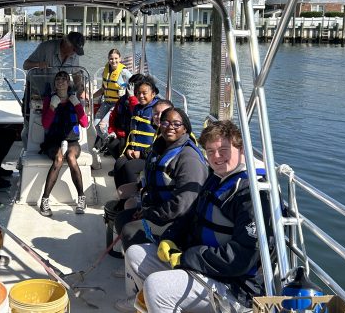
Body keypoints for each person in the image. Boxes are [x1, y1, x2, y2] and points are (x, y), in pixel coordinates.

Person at [117, 120, 272, 313]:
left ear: (241, 149)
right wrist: (170, 239)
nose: (216, 157)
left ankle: (156, 300)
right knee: (135, 254)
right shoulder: (217, 177)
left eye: (223, 150)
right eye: (210, 151)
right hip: (201, 265)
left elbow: (240, 258)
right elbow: (192, 215)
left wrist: (186, 258)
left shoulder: (254, 195)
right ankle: (146, 303)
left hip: (235, 286)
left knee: (156, 287)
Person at [114, 107, 208, 250]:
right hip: (157, 209)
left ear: (185, 129)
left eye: (176, 124)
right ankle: (133, 260)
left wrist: (150, 214)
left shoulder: (189, 159)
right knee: (121, 218)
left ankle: (145, 267)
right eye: (165, 123)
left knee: (129, 230)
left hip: (179, 221)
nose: (170, 127)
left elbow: (183, 205)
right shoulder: (160, 148)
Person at [38, 70, 89, 217]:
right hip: (53, 142)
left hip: (72, 141)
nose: (60, 81)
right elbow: (46, 124)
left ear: (68, 83)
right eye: (58, 79)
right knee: (59, 158)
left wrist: (78, 105)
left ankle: (81, 198)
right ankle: (45, 200)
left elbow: (85, 124)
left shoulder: (74, 100)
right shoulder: (49, 100)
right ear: (55, 83)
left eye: (64, 79)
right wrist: (52, 107)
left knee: (71, 158)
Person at [112, 76, 160, 188]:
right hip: (134, 152)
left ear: (153, 93)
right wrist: (129, 149)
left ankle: (137, 199)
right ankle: (123, 200)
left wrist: (142, 153)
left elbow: (160, 139)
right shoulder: (137, 109)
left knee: (130, 167)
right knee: (119, 164)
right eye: (138, 93)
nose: (141, 96)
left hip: (150, 155)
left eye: (144, 93)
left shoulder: (157, 111)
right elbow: (133, 133)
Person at [93, 48, 132, 144]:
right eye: (111, 58)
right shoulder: (106, 71)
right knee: (95, 124)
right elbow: (103, 89)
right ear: (108, 59)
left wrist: (126, 92)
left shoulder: (124, 72)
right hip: (106, 102)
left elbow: (135, 83)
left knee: (103, 125)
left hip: (117, 104)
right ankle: (108, 142)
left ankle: (109, 143)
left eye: (116, 58)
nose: (113, 61)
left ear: (120, 58)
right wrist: (91, 97)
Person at [100, 73, 143, 158]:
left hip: (133, 137)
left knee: (122, 145)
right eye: (130, 86)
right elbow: (113, 116)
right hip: (120, 132)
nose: (130, 89)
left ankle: (120, 165)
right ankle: (119, 162)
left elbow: (137, 114)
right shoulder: (122, 100)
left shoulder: (141, 102)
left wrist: (132, 98)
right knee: (111, 143)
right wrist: (112, 131)